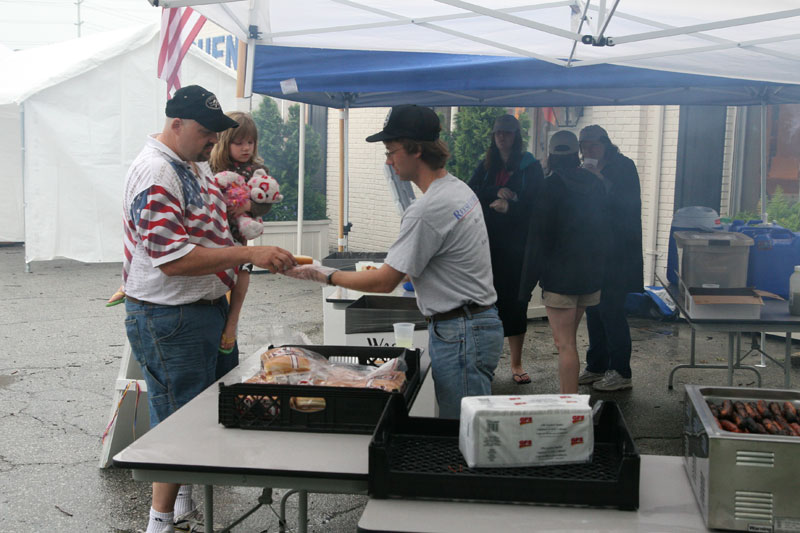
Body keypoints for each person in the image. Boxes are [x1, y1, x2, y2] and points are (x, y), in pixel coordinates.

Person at [122, 85, 296, 533]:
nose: (212, 142)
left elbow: (215, 231)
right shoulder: (156, 172)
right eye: (205, 132)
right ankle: (159, 524)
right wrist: (247, 255)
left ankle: (180, 510)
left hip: (202, 309)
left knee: (198, 417)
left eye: (217, 134)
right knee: (179, 423)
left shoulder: (190, 166)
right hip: (170, 315)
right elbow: (174, 258)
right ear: (175, 124)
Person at [285, 104, 504, 419]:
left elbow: (384, 281)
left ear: (415, 150)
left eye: (391, 151)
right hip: (475, 324)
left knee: (463, 433)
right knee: (471, 427)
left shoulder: (427, 208)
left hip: (461, 331)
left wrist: (324, 275)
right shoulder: (458, 190)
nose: (387, 160)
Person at [523, 130, 608, 394]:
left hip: (560, 278)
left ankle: (569, 405)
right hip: (590, 276)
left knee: (566, 344)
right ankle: (570, 401)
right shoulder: (595, 183)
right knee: (570, 339)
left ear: (550, 154)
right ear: (576, 153)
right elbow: (605, 228)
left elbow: (538, 237)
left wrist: (526, 283)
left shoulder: (550, 186)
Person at [468, 114, 543, 385]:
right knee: (485, 302)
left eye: (508, 132)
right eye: (498, 132)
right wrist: (496, 191)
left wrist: (511, 206)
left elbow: (537, 204)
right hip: (486, 245)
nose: (502, 137)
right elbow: (471, 190)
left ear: (516, 135)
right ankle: (485, 362)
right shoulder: (487, 164)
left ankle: (516, 363)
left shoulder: (530, 166)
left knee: (516, 303)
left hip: (516, 247)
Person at [577, 125, 643, 392]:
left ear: (606, 144)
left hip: (619, 252)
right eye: (584, 146)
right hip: (594, 250)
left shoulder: (623, 166)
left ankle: (621, 371)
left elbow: (626, 205)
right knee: (593, 307)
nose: (588, 150)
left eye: (593, 145)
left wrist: (598, 180)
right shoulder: (584, 168)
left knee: (611, 310)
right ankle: (596, 365)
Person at [209, 111, 275, 378]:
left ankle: (232, 324)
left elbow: (268, 199)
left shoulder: (258, 169)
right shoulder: (211, 167)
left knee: (243, 271)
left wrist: (249, 204)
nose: (246, 148)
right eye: (239, 142)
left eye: (250, 142)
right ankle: (223, 322)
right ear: (225, 142)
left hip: (240, 233)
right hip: (214, 235)